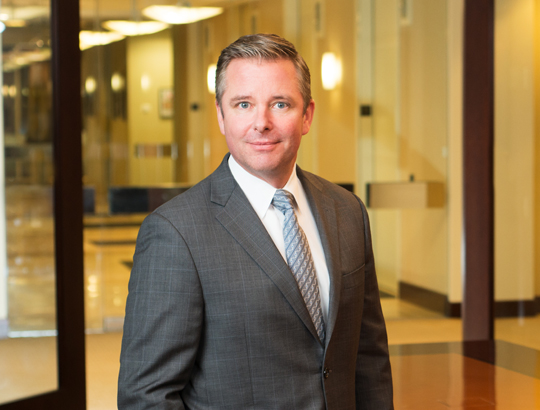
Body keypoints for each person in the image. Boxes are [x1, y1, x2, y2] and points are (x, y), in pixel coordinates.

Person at [118, 33, 393, 410]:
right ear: (221, 115)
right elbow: (146, 395)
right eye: (243, 104)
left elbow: (369, 358)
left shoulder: (347, 211)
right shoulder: (175, 232)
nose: (261, 123)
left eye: (280, 104)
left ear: (307, 115)